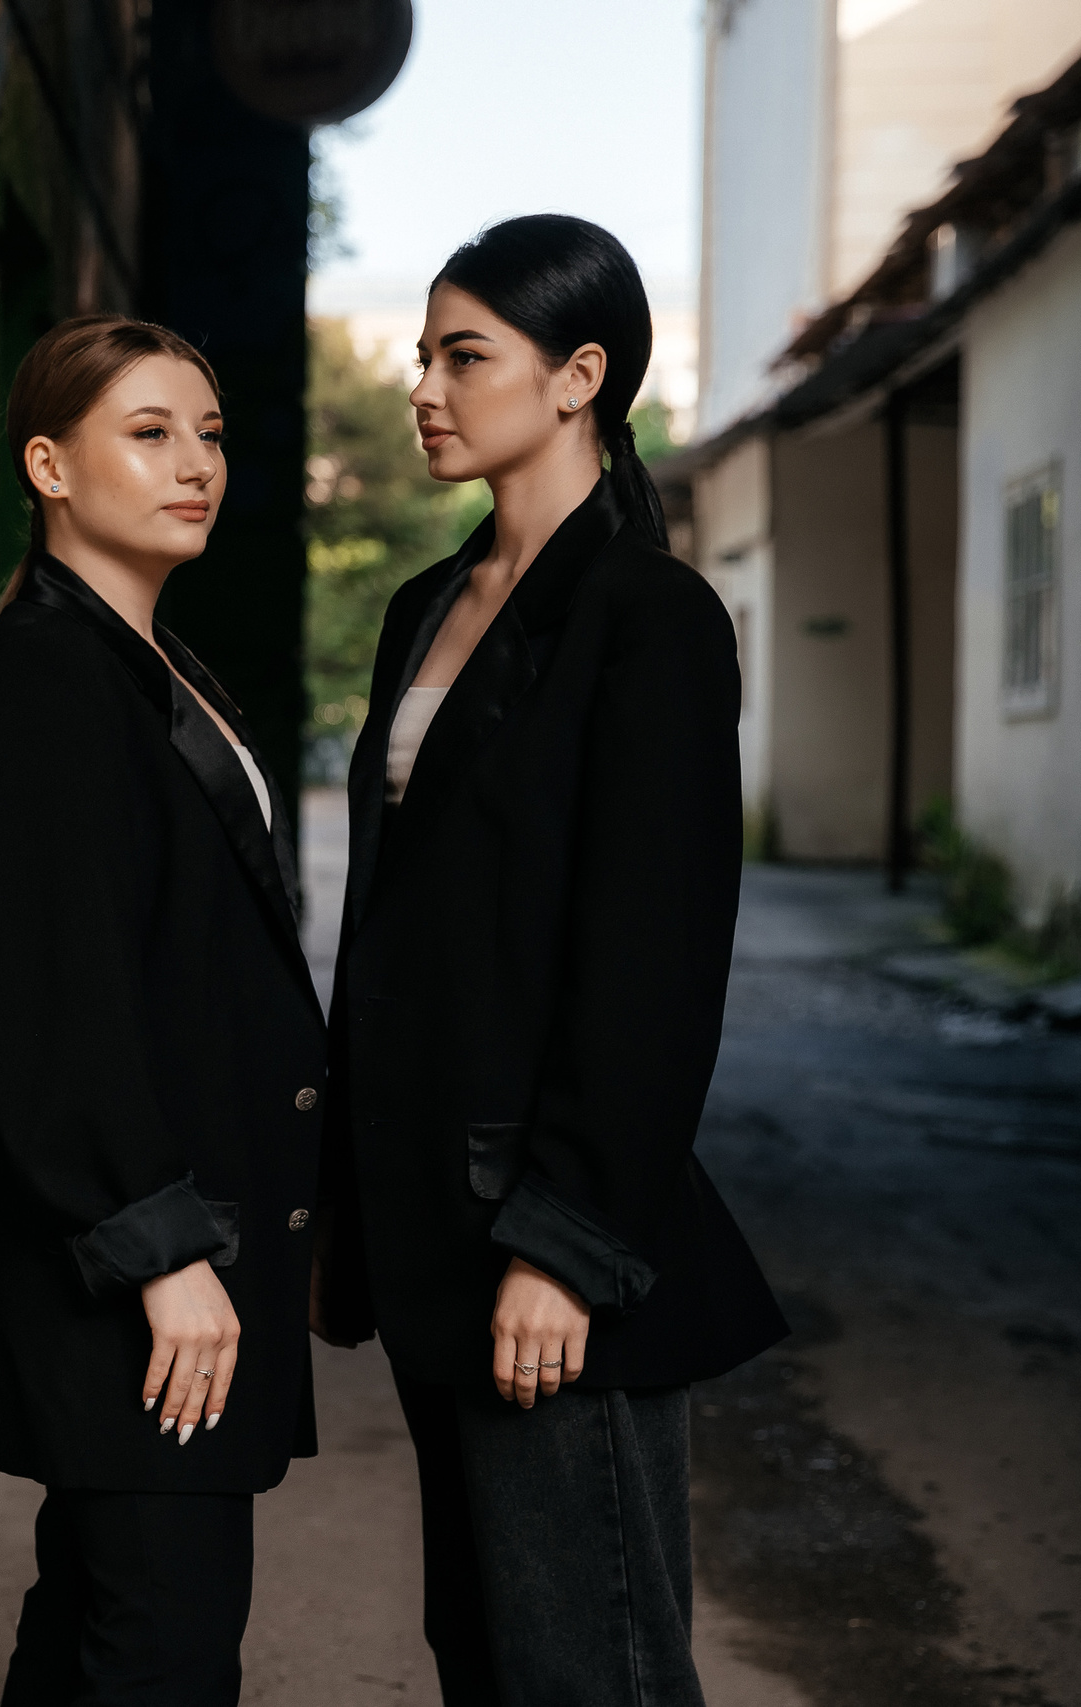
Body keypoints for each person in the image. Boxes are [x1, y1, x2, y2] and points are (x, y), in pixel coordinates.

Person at [313, 215, 789, 1706]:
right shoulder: (424, 609)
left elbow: (655, 960)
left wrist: (568, 1245)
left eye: (466, 357)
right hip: (427, 1223)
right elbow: (397, 929)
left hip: (542, 1240)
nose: (425, 391)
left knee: (590, 1672)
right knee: (486, 1660)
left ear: (579, 376)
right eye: (423, 357)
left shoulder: (650, 619)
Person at [0, 315, 329, 1706]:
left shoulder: (144, 666)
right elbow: (51, 1001)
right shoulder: (46, 679)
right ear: (49, 466)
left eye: (209, 435)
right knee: (161, 1640)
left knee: (105, 1622)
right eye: (149, 434)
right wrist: (162, 1252)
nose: (196, 465)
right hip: (142, 1263)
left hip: (179, 1244)